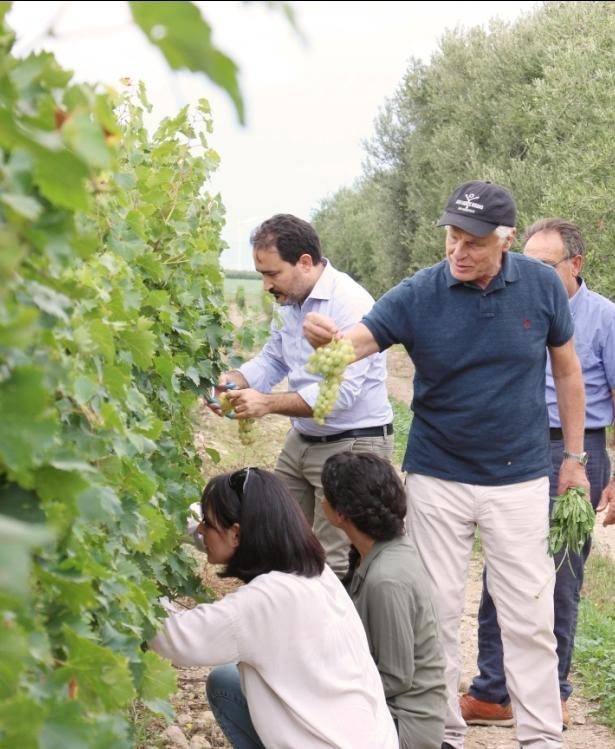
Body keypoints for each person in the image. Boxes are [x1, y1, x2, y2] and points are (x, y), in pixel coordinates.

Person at [304, 180, 590, 749]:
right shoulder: (421, 293)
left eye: (473, 242)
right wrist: (330, 342)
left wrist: (576, 458)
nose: (458, 251)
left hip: (521, 476)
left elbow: (567, 371)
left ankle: (541, 737)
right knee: (433, 612)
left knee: (529, 616)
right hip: (438, 476)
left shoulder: (539, 286)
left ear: (505, 239)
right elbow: (361, 340)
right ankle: (444, 736)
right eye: (452, 238)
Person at [461, 218, 615, 729]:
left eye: (545, 265)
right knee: (500, 569)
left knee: (560, 575)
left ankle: (552, 693)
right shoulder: (516, 309)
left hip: (575, 451)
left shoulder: (606, 319)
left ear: (575, 265)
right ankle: (493, 693)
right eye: (527, 263)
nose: (530, 274)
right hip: (511, 449)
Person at [151, 467, 399, 749]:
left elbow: (175, 638)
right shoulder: (313, 571)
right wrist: (163, 518)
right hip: (369, 739)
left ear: (236, 534)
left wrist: (135, 581)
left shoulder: (267, 600)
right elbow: (212, 535)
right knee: (226, 682)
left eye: (206, 523)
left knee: (226, 680)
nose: (200, 530)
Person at [211, 214, 394, 576]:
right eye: (262, 274)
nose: (266, 285)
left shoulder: (350, 303)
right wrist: (234, 380)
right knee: (276, 537)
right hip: (304, 438)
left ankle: (335, 631)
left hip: (352, 444)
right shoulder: (290, 303)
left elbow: (341, 395)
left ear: (305, 262)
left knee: (332, 559)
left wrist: (266, 404)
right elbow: (274, 359)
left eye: (272, 274)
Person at [321, 451, 447, 749]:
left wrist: (319, 685)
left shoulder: (385, 580)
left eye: (325, 495)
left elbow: (395, 677)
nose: (320, 500)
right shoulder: (381, 552)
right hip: (385, 713)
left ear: (341, 515)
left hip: (401, 724)